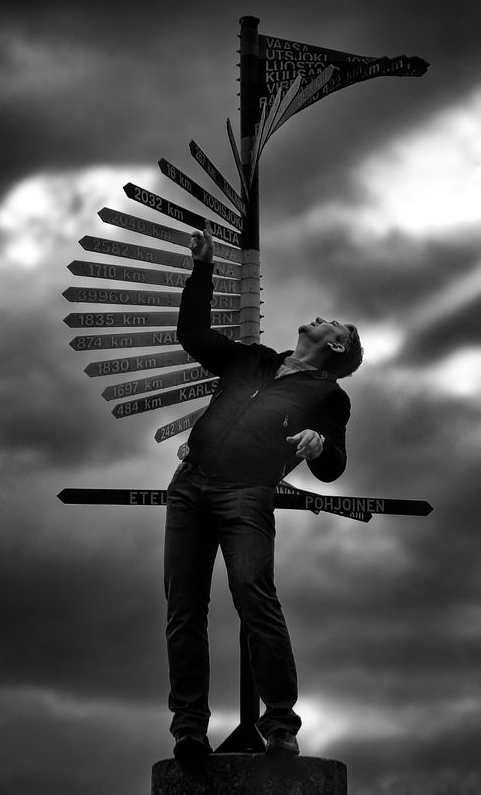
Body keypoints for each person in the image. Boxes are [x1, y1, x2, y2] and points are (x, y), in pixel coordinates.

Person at [164, 220, 363, 763]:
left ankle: (280, 725)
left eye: (329, 320)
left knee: (255, 597)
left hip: (245, 495)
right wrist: (201, 270)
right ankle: (188, 730)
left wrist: (319, 445)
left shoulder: (329, 398)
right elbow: (193, 336)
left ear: (335, 344)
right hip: (189, 487)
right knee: (184, 609)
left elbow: (333, 468)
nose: (318, 317)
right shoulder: (252, 359)